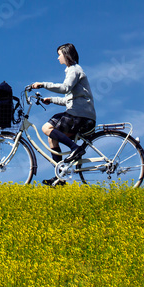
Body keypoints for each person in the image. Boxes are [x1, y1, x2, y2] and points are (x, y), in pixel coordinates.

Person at [30, 43, 97, 186]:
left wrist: (43, 84)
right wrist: (51, 100)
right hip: (79, 114)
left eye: (59, 54)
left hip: (80, 116)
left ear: (66, 54)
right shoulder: (72, 71)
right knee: (51, 138)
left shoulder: (74, 70)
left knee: (46, 128)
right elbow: (69, 100)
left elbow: (65, 88)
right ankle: (60, 176)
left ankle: (75, 149)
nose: (58, 57)